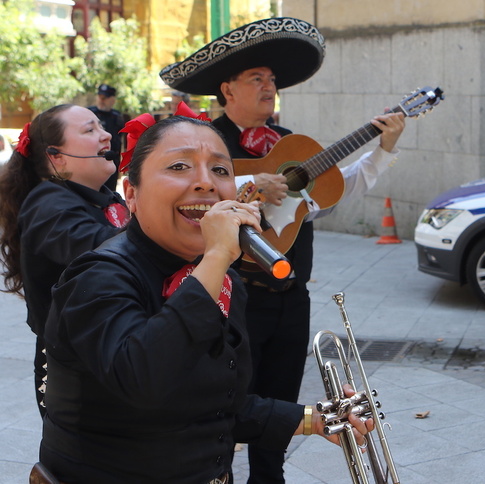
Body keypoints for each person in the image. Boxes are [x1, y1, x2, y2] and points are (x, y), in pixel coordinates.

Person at [38, 113, 372, 483]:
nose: (205, 183)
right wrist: (215, 257)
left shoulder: (225, 281)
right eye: (179, 166)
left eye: (221, 170)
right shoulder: (97, 276)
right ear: (131, 194)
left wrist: (319, 419)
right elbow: (144, 381)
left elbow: (215, 404)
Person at [160, 17, 405, 483]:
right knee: (228, 401)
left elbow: (335, 191)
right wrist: (252, 182)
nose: (269, 87)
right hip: (233, 295)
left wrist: (384, 150)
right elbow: (190, 199)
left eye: (272, 80)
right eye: (257, 79)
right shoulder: (203, 142)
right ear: (227, 90)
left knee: (281, 403)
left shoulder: (291, 143)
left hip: (292, 295)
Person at [0, 104, 128, 417]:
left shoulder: (105, 199)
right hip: (77, 378)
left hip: (111, 360)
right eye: (90, 130)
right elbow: (102, 249)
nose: (106, 135)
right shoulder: (49, 203)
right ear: (56, 156)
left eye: (101, 126)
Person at [88, 83, 125, 191]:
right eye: (100, 96)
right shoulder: (90, 114)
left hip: (111, 160)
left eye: (106, 97)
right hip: (93, 159)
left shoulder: (117, 116)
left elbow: (120, 141)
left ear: (113, 100)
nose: (102, 100)